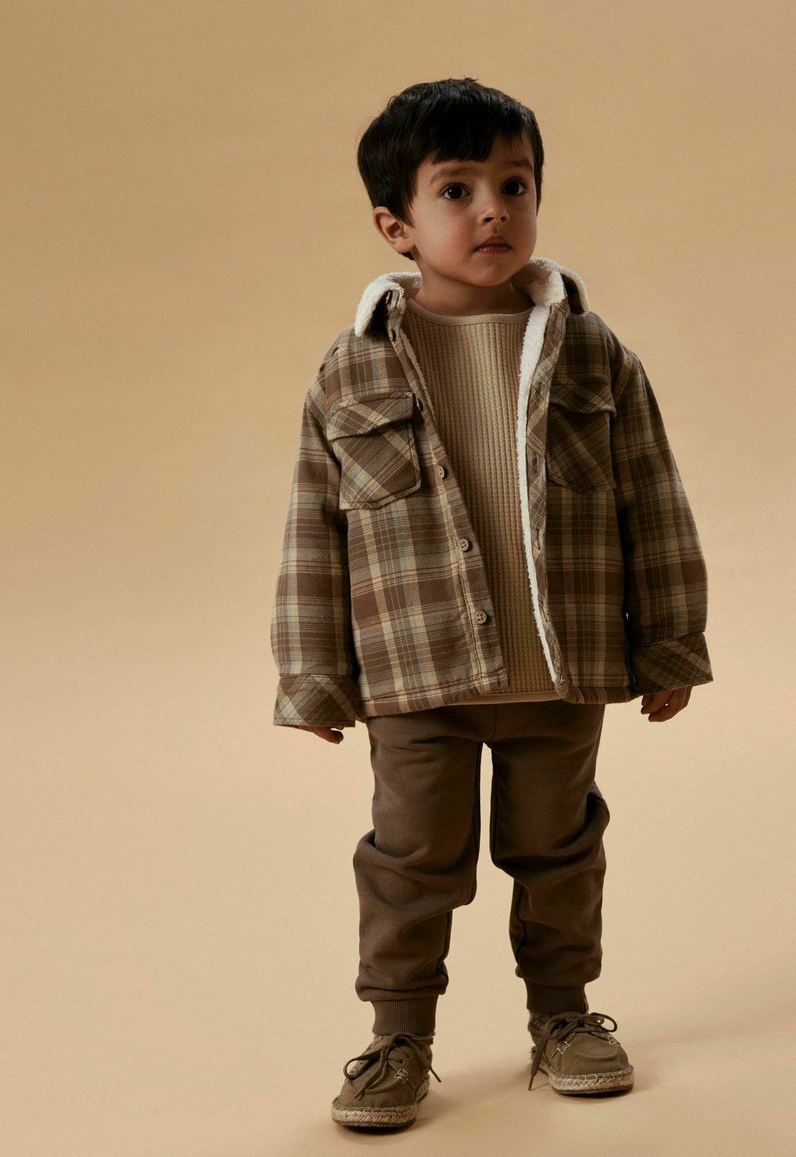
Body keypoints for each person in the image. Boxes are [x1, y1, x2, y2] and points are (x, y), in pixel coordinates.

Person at [270, 77, 712, 1129]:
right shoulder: (351, 370)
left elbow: (653, 501)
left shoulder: (595, 355)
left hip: (560, 670)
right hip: (415, 677)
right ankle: (397, 1036)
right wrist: (313, 674)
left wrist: (670, 642)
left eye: (514, 185)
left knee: (560, 849)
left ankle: (563, 1013)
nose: (491, 211)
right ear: (397, 225)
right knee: (410, 858)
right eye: (456, 189)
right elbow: (313, 532)